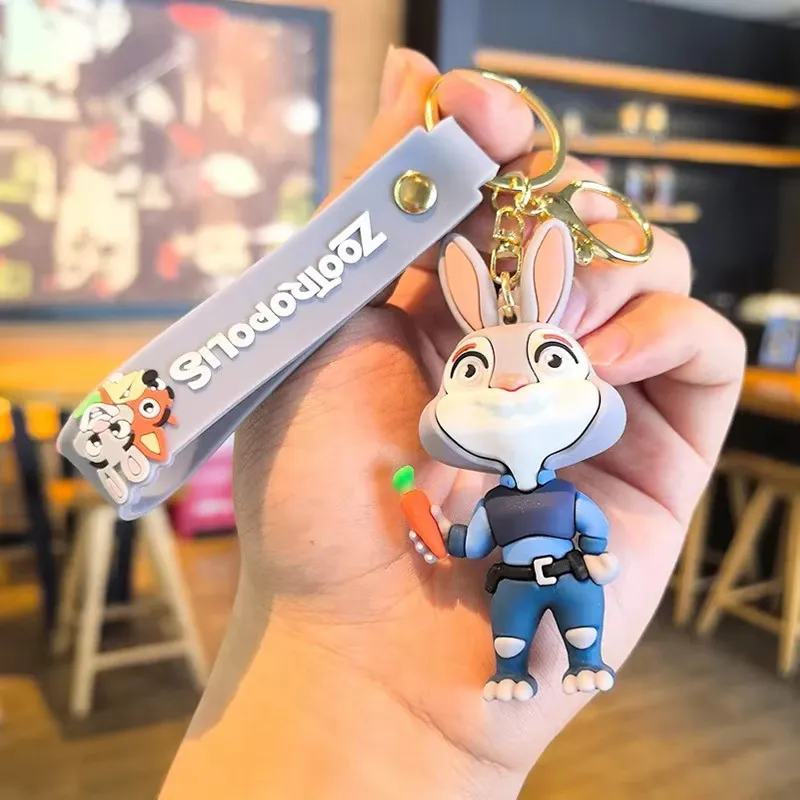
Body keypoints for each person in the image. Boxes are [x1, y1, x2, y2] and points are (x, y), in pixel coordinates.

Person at [159, 48, 745, 799]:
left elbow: (590, 527)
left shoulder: (570, 494)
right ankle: (513, 667)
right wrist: (420, 521)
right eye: (474, 371)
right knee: (511, 634)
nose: (510, 383)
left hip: (568, 576)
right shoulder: (494, 501)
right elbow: (465, 544)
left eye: (547, 362)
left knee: (579, 621)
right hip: (509, 583)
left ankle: (583, 657)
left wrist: (597, 556)